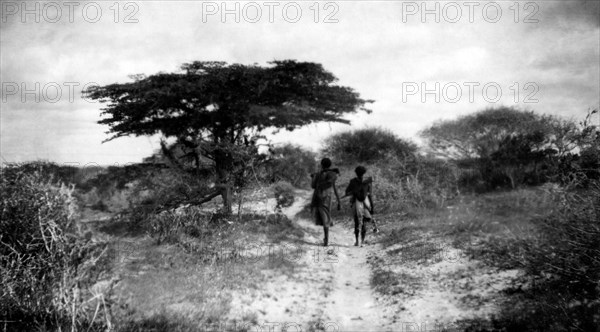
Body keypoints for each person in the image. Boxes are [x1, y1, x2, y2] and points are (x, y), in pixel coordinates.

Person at [311, 158, 341, 247]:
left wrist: (313, 178)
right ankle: (326, 239)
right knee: (326, 216)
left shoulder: (318, 174)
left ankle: (326, 240)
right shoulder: (333, 174)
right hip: (328, 197)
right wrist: (339, 201)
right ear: (330, 165)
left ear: (322, 165)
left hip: (319, 197)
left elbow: (313, 186)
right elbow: (334, 188)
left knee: (324, 218)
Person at [345, 165, 376, 247]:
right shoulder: (368, 181)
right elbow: (370, 195)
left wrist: (354, 192)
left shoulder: (353, 181)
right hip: (366, 203)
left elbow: (347, 192)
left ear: (356, 173)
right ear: (364, 173)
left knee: (356, 221)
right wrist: (372, 207)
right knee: (364, 223)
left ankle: (357, 241)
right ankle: (362, 241)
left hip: (356, 202)